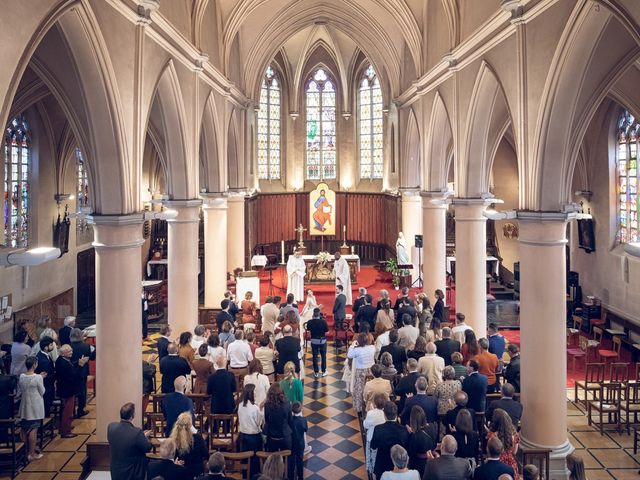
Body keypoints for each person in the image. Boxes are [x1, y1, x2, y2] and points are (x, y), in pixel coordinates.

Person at [107, 402, 152, 480]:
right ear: (132, 416)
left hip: (115, 471)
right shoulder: (137, 432)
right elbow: (148, 448)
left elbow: (124, 439)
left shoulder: (111, 427)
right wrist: (144, 437)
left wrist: (141, 436)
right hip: (132, 472)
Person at [370, 401, 410, 480]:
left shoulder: (378, 429)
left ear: (384, 415)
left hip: (382, 464)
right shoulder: (404, 430)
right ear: (396, 415)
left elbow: (373, 446)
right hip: (399, 465)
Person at [56, 344, 88, 438]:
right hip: (68, 390)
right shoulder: (63, 363)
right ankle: (66, 431)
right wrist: (81, 366)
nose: (72, 353)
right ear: (63, 353)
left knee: (66, 410)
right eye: (69, 351)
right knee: (68, 411)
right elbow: (73, 374)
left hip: (65, 389)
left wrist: (77, 362)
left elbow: (70, 366)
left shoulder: (61, 360)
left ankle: (64, 427)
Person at [18, 356, 45, 461]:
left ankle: (24, 452)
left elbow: (20, 389)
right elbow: (42, 391)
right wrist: (42, 378)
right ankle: (32, 453)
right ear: (34, 365)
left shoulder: (21, 376)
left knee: (24, 429)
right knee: (34, 429)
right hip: (35, 407)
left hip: (24, 406)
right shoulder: (38, 377)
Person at [171, 412, 209, 479]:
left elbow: (172, 456)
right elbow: (205, 454)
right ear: (190, 425)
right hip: (195, 471)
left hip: (179, 470)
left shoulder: (174, 438)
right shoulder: (197, 438)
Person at [487, 409, 520, 480]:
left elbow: (490, 451)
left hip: (497, 463)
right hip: (511, 464)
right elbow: (514, 452)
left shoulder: (492, 435)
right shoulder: (514, 434)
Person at [348, 333, 377, 414]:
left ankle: (359, 407)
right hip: (371, 371)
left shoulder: (357, 350)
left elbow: (349, 355)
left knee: (359, 389)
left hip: (361, 371)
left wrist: (352, 345)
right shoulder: (372, 348)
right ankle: (371, 406)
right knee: (370, 388)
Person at [238, 384, 263, 475]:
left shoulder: (240, 405)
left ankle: (245, 475)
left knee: (245, 459)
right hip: (254, 437)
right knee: (254, 461)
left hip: (243, 436)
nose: (256, 394)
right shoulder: (254, 408)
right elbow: (258, 423)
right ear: (251, 394)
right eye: (254, 392)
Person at [70, 327, 95, 418]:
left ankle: (71, 411)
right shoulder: (86, 346)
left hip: (71, 372)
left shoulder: (68, 346)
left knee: (72, 391)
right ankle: (81, 410)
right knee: (82, 392)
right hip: (82, 372)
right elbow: (92, 357)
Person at [264, 383, 293, 459]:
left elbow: (267, 421)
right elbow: (290, 421)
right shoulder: (287, 405)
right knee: (287, 460)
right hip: (285, 437)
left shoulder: (267, 406)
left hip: (272, 438)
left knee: (273, 460)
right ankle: (287, 470)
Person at [406, 405, 437, 476]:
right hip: (432, 460)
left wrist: (410, 435)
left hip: (418, 464)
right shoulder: (432, 426)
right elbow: (435, 444)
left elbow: (411, 452)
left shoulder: (415, 436)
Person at [363, 392, 387, 476]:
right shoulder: (386, 413)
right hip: (383, 439)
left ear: (375, 403)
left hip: (372, 438)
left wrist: (370, 411)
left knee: (372, 458)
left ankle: (372, 472)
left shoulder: (371, 413)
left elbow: (365, 425)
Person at [35, 336, 56, 416]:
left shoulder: (43, 355)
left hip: (47, 387)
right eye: (51, 345)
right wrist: (56, 374)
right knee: (46, 407)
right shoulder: (44, 361)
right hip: (46, 388)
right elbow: (47, 377)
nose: (53, 346)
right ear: (45, 347)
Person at [306, 308, 328, 378]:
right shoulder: (323, 322)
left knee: (314, 356)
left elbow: (309, 330)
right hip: (322, 341)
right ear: (319, 314)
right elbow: (327, 332)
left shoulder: (309, 322)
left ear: (313, 314)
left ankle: (316, 372)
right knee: (323, 356)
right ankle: (324, 371)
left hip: (314, 341)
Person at [290, 401, 307, 480]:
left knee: (292, 461)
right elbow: (306, 429)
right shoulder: (303, 420)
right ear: (301, 410)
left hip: (292, 444)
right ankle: (300, 477)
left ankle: (291, 477)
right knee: (300, 461)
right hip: (300, 444)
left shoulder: (290, 420)